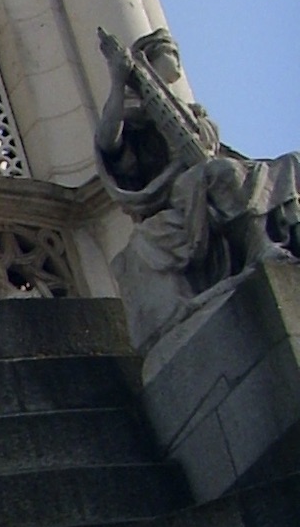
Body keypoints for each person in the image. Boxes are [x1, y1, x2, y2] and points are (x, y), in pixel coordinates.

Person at [97, 32, 299, 342]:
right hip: (177, 191)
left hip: (209, 175)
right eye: (167, 51)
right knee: (219, 172)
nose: (175, 56)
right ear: (149, 61)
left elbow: (221, 154)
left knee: (288, 163)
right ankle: (259, 244)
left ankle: (283, 235)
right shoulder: (135, 117)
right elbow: (107, 141)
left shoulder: (196, 116)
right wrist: (118, 79)